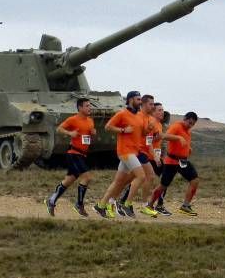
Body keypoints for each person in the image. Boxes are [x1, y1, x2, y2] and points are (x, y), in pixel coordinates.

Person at [93, 91, 147, 219]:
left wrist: (148, 129)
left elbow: (142, 133)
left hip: (134, 151)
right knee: (141, 176)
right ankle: (126, 204)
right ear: (130, 100)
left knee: (118, 182)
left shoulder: (140, 115)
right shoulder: (122, 114)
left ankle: (100, 206)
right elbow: (108, 127)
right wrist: (123, 130)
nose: (140, 102)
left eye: (140, 99)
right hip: (125, 151)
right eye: (138, 99)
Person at [44, 98, 97, 218]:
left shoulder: (90, 120)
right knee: (87, 177)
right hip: (74, 153)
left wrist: (93, 133)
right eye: (87, 106)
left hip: (83, 154)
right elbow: (59, 129)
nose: (90, 108)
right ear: (80, 108)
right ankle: (79, 204)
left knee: (69, 180)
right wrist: (70, 133)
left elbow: (88, 135)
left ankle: (51, 201)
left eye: (90, 106)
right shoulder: (73, 119)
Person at [116, 95, 159, 217]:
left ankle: (123, 202)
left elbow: (147, 137)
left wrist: (154, 153)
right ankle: (129, 204)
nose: (153, 106)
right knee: (146, 176)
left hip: (141, 151)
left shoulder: (149, 118)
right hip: (136, 150)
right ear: (144, 104)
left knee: (131, 179)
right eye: (151, 104)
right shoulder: (139, 116)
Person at [147, 112, 197, 216]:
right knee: (163, 185)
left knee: (194, 180)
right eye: (189, 122)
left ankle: (185, 206)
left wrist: (188, 148)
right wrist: (178, 138)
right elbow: (164, 136)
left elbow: (183, 142)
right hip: (172, 161)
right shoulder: (177, 126)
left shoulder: (187, 131)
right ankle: (149, 205)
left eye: (192, 124)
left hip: (182, 161)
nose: (190, 125)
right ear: (185, 119)